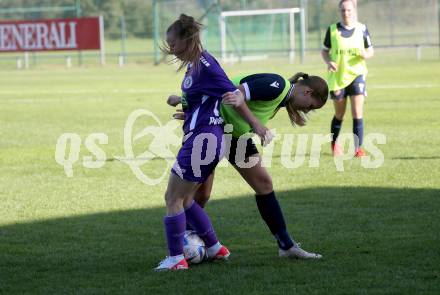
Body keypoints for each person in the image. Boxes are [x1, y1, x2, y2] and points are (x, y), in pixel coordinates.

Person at [169, 72, 329, 259]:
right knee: (199, 195)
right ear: (308, 92)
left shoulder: (281, 96)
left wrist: (189, 104)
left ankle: (286, 246)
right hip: (215, 129)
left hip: (236, 137)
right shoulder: (276, 85)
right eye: (310, 107)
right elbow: (233, 94)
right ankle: (184, 244)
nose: (306, 111)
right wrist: (197, 110)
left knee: (264, 184)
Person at [155, 14, 255, 271]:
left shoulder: (206, 64)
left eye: (173, 44)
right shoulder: (195, 66)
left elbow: (231, 92)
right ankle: (215, 248)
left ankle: (176, 259)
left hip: (204, 139)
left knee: (173, 199)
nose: (171, 50)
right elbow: (204, 99)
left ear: (186, 40)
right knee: (186, 200)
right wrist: (184, 103)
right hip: (204, 138)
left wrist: (256, 124)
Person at [321, 0, 374, 157]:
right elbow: (324, 51)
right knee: (340, 114)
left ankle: (358, 149)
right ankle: (334, 144)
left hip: (357, 75)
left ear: (354, 10)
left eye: (349, 10)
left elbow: (371, 51)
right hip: (338, 78)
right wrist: (329, 61)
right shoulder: (332, 30)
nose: (346, 13)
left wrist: (365, 54)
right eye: (343, 10)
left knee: (357, 112)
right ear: (340, 11)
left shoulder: (362, 29)